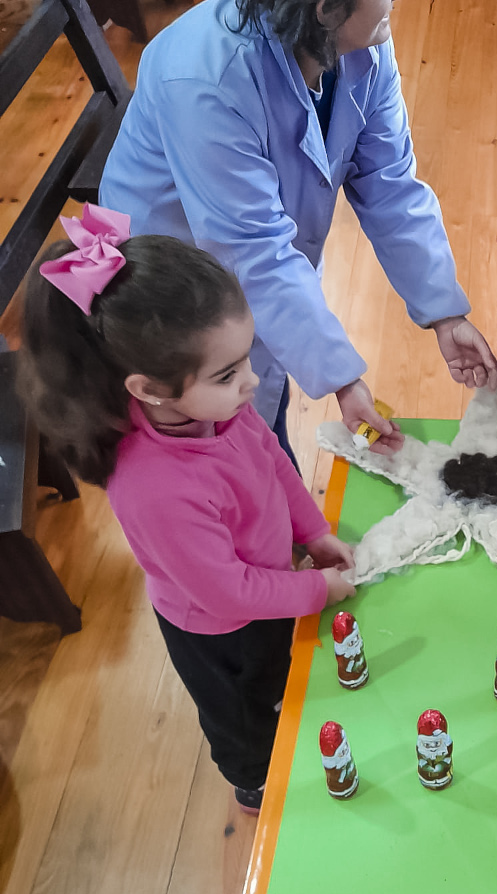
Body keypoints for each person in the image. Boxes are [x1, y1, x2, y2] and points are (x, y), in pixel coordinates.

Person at [100, 0, 497, 463]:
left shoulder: (361, 44)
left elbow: (389, 184)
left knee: (259, 405)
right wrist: (342, 380)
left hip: (245, 277)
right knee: (210, 446)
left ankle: (271, 484)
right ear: (326, 8)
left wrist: (444, 311)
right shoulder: (205, 81)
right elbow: (255, 252)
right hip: (172, 292)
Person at [18, 205, 358, 815]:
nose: (252, 383)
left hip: (267, 584)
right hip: (221, 631)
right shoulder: (155, 490)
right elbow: (228, 593)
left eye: (246, 359)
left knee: (283, 677)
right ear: (147, 390)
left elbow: (274, 461)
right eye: (228, 373)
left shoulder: (217, 406)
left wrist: (312, 532)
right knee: (245, 719)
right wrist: (313, 590)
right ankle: (254, 783)